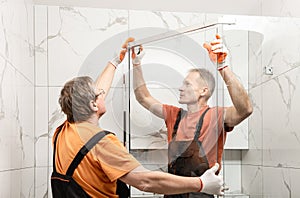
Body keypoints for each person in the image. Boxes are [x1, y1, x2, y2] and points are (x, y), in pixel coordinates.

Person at [52, 38, 226, 198]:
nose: (103, 93)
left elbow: (93, 94)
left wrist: (114, 62)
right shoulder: (101, 142)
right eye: (100, 95)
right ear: (93, 105)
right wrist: (201, 183)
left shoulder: (63, 131)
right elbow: (146, 181)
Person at [132, 34, 253, 197]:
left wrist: (222, 66)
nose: (180, 88)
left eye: (187, 84)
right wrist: (136, 64)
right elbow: (143, 97)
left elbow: (245, 109)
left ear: (204, 91)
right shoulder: (174, 115)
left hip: (202, 193)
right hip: (172, 191)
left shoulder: (216, 115)